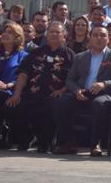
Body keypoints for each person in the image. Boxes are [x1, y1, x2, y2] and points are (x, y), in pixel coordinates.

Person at [55, 25, 111, 156]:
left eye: (103, 35)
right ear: (90, 38)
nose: (99, 38)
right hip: (83, 93)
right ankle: (68, 141)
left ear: (108, 38)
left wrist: (104, 84)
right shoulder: (80, 57)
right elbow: (70, 80)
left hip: (106, 94)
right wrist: (76, 90)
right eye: (95, 35)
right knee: (62, 102)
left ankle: (95, 144)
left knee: (99, 104)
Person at [4, 21, 72, 152]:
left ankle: (44, 142)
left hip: (54, 94)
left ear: (64, 35)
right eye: (51, 32)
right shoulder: (35, 52)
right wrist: (16, 94)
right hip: (33, 92)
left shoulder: (69, 55)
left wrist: (62, 90)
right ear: (46, 34)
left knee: (50, 106)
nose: (54, 34)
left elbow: (74, 78)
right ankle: (25, 138)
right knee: (15, 104)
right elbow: (23, 73)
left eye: (57, 32)